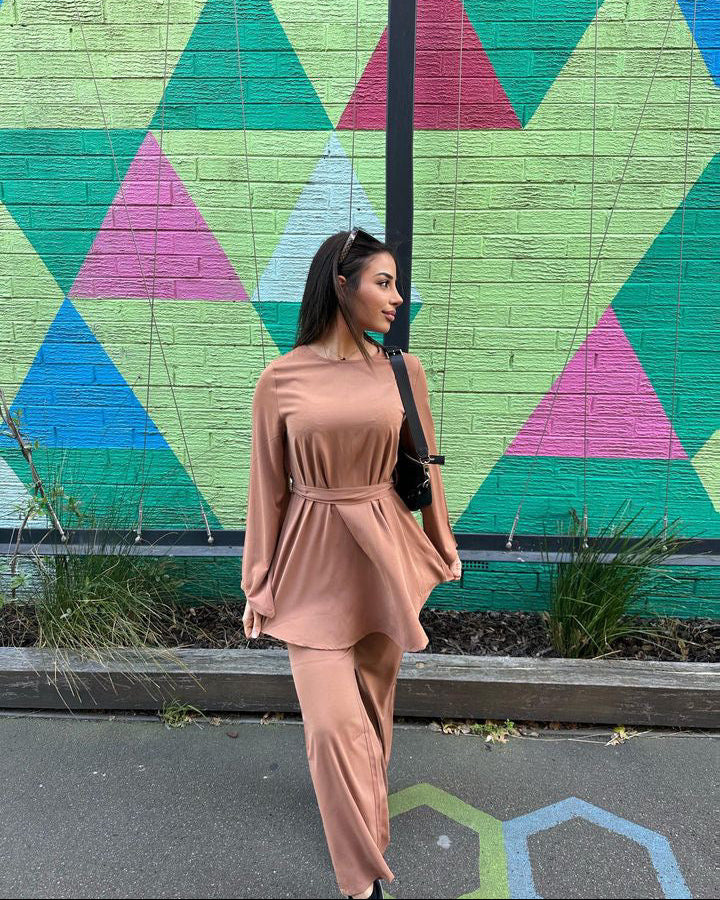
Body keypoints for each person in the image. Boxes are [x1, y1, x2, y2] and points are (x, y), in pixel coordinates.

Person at [241, 227, 462, 899]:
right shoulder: (280, 379)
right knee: (333, 727)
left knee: (371, 706)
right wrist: (258, 579)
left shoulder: (403, 371)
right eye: (384, 283)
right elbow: (266, 487)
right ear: (342, 284)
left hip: (382, 551)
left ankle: (364, 824)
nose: (398, 298)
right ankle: (361, 881)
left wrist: (443, 540)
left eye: (397, 284)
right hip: (310, 559)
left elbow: (423, 464)